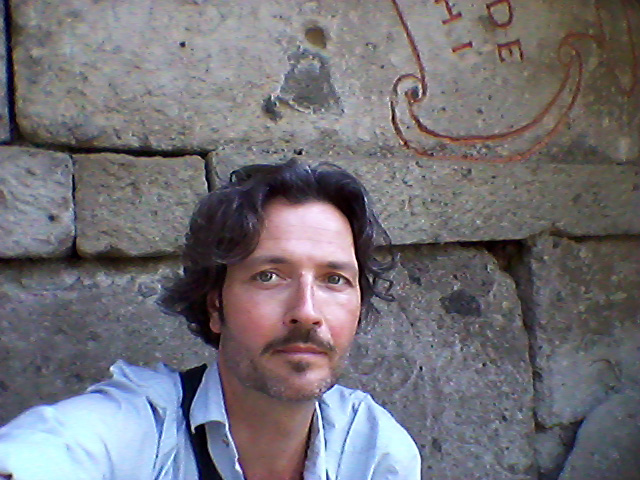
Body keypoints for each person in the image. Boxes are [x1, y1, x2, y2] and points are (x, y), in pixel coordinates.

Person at [0, 159, 421, 479]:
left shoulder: (373, 451)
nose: (307, 312)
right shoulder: (142, 431)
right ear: (216, 305)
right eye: (268, 276)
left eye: (334, 279)